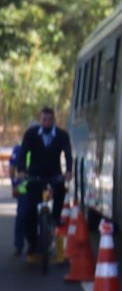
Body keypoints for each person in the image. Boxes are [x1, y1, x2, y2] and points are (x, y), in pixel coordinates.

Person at [20, 107, 72, 260]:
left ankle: (55, 217)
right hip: (35, 175)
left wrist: (68, 171)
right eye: (44, 120)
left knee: (60, 190)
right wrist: (21, 170)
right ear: (39, 120)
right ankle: (32, 243)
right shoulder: (31, 134)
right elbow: (23, 153)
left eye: (49, 120)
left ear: (54, 120)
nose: (47, 123)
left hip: (54, 173)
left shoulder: (62, 135)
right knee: (29, 211)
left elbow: (68, 153)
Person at [9, 140, 28, 257]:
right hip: (24, 187)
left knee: (23, 215)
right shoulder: (20, 148)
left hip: (38, 184)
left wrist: (14, 184)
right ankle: (19, 245)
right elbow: (12, 168)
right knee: (22, 215)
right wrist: (15, 185)